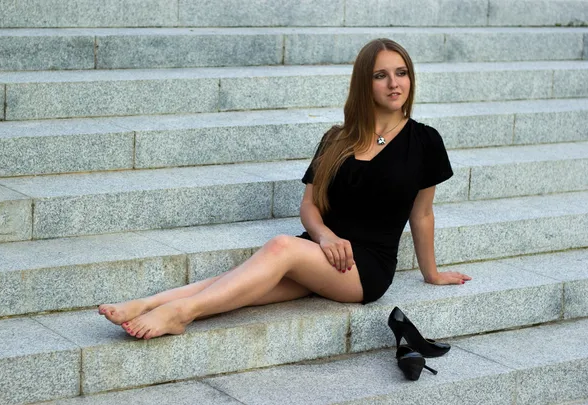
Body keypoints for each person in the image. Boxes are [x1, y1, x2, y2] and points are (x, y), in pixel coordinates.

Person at [98, 38, 472, 340]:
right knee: (235, 283)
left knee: (279, 247)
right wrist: (323, 237)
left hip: (365, 268)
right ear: (364, 83)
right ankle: (146, 304)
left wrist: (432, 274)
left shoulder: (425, 141)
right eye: (381, 75)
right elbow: (309, 205)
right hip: (319, 252)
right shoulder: (338, 139)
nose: (394, 83)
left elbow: (421, 214)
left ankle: (181, 313)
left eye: (401, 73)